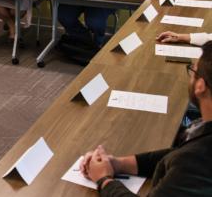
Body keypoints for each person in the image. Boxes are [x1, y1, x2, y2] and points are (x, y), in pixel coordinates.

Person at [80, 41, 212, 196]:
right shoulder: (198, 145)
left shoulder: (196, 160)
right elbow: (176, 155)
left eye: (192, 71)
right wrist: (118, 164)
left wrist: (104, 180)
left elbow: (188, 160)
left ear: (200, 86)